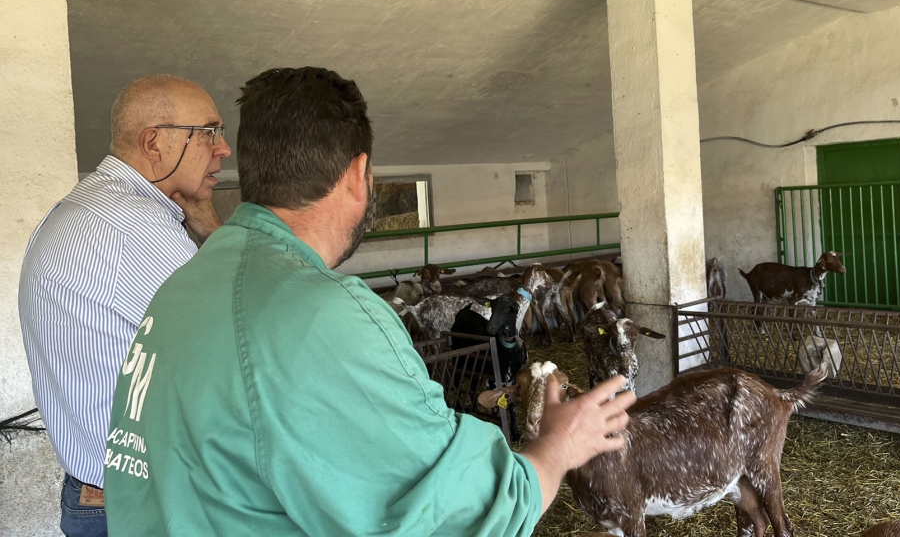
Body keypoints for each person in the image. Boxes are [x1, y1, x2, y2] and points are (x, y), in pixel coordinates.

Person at [102, 66, 636, 536]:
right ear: (358, 174)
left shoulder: (186, 283)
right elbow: (464, 516)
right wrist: (560, 445)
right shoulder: (324, 314)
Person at [19, 74, 231, 537]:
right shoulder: (134, 227)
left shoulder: (87, 207)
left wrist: (194, 214)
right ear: (154, 143)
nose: (224, 148)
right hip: (141, 504)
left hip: (95, 493)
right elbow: (245, 333)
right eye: (210, 131)